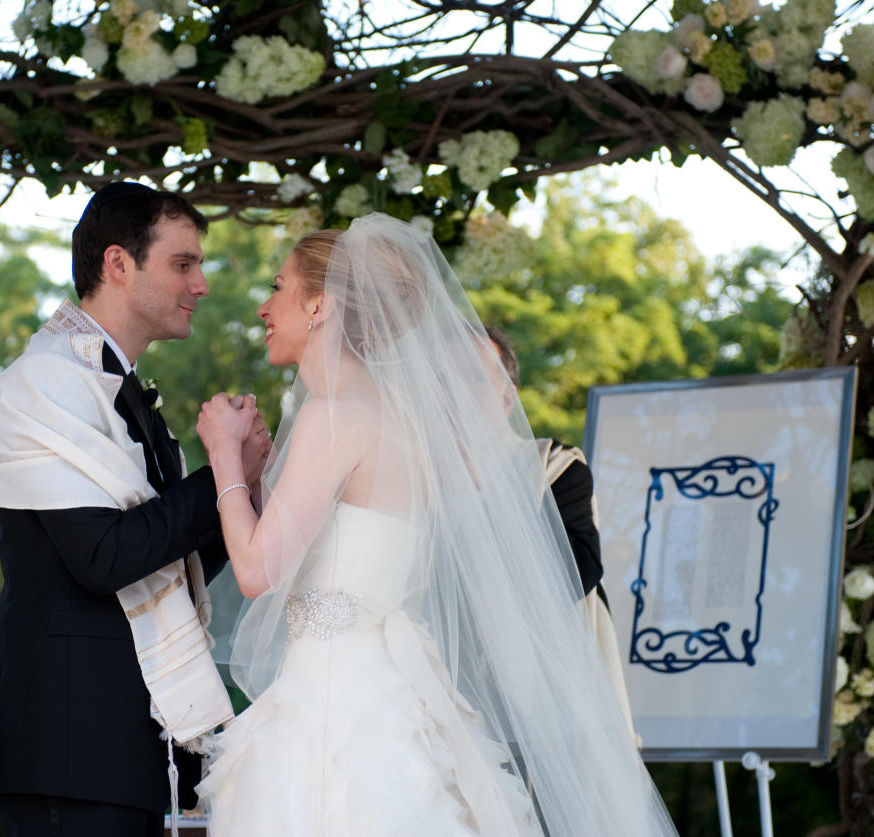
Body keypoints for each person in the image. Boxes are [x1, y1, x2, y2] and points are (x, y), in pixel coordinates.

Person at [195, 214, 677, 835]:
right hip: (392, 687)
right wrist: (258, 478)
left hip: (333, 701)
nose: (264, 306)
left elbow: (259, 571)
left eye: (278, 286)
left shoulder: (335, 416)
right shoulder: (403, 422)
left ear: (320, 305)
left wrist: (223, 455)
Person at [0, 182, 269, 837]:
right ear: (118, 263)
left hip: (124, 744)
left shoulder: (117, 387)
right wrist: (220, 464)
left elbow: (169, 561)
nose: (203, 283)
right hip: (70, 744)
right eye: (184, 263)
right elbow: (105, 557)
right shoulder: (44, 381)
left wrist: (239, 488)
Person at [483, 324, 634, 732]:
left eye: (474, 376)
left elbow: (578, 567)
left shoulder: (554, 467)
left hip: (538, 698)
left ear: (506, 398)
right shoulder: (409, 475)